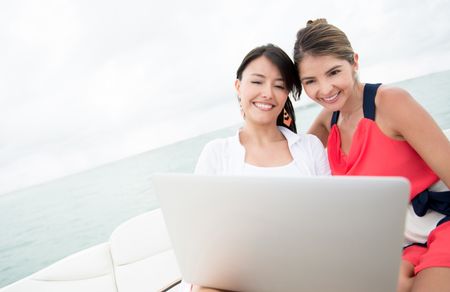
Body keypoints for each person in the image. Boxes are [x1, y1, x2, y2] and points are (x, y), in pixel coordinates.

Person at [293, 19, 450, 292]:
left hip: (443, 223)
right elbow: (291, 168)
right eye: (310, 81)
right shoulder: (326, 123)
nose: (325, 89)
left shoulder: (391, 102)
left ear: (354, 62)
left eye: (333, 72)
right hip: (400, 244)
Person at [180, 44, 330, 292]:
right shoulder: (217, 153)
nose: (267, 93)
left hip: (301, 272)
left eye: (279, 85)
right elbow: (200, 241)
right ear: (238, 87)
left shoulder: (309, 147)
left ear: (286, 95)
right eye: (257, 82)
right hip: (235, 278)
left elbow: (332, 222)